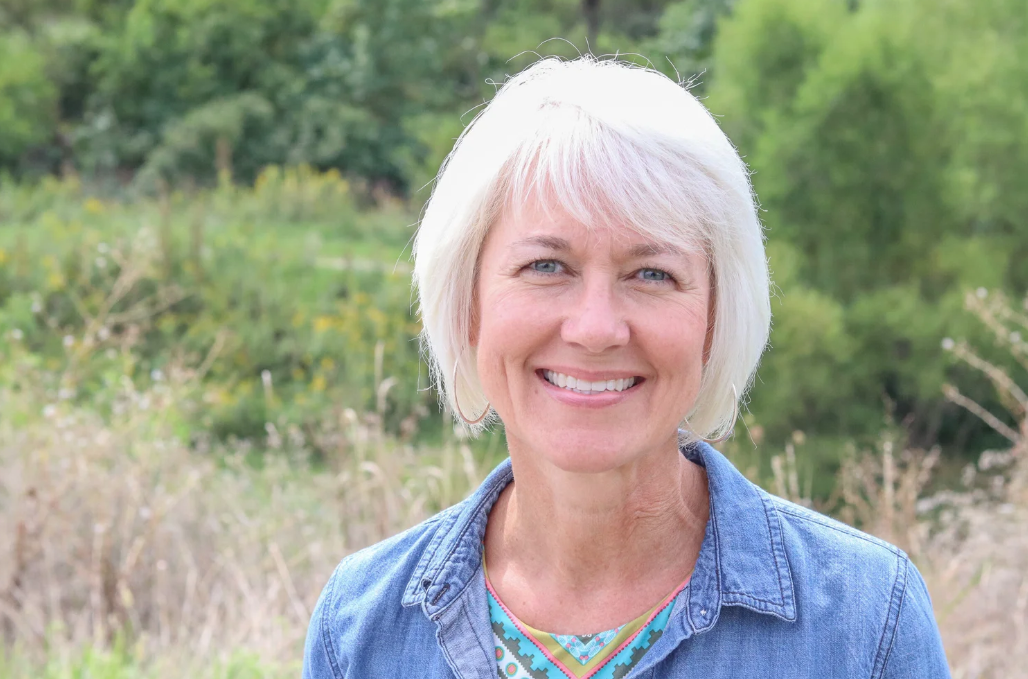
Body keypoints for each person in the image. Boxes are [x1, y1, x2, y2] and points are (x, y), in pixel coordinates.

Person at [302, 56, 951, 679]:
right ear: (468, 303)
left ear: (715, 317)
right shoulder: (361, 630)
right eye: (547, 266)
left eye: (651, 273)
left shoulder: (865, 622)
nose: (595, 328)